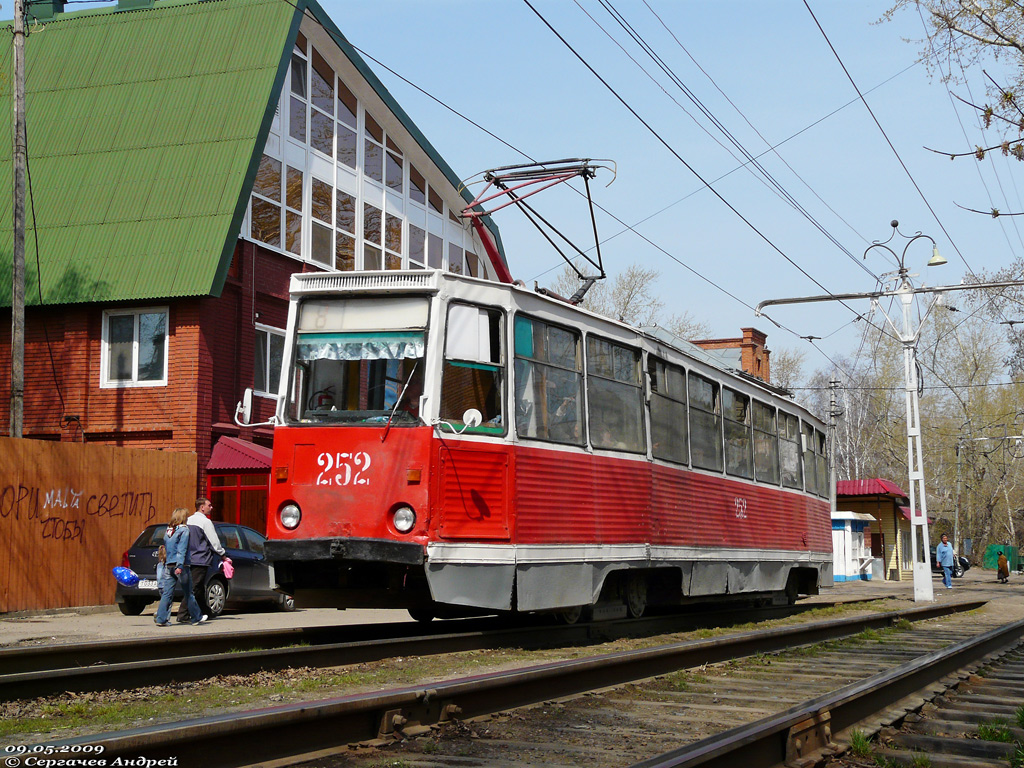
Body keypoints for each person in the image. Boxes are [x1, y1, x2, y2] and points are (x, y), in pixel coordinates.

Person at [176, 497, 227, 623]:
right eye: (209, 505)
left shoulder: (188, 520)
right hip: (200, 558)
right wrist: (222, 554)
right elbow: (214, 542)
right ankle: (183, 614)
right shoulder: (205, 522)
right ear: (202, 507)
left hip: (188, 558)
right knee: (194, 587)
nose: (211, 507)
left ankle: (206, 611)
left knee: (198, 587)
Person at [155, 508, 207, 626]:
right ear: (184, 517)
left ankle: (161, 619)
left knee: (167, 593)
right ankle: (196, 617)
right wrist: (180, 565)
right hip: (181, 566)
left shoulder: (169, 530)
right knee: (189, 593)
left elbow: (167, 548)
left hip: (169, 565)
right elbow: (182, 548)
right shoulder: (184, 530)